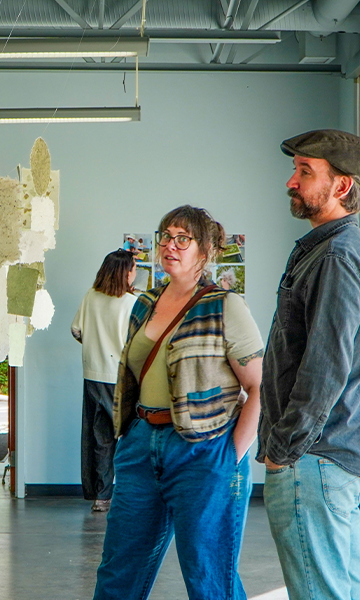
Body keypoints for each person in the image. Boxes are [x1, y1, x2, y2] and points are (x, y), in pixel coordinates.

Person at [94, 206, 264, 600]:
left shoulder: (224, 305)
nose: (170, 245)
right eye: (165, 237)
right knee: (119, 570)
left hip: (202, 449)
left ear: (204, 252)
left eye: (182, 239)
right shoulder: (144, 303)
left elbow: (259, 387)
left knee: (208, 577)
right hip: (140, 445)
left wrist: (230, 455)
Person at [258, 129, 360, 600]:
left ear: (342, 186)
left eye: (305, 172)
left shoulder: (335, 255)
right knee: (342, 590)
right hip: (328, 456)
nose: (292, 182)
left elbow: (326, 366)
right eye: (295, 170)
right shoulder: (329, 250)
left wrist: (283, 449)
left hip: (313, 457)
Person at [71, 249, 138, 512]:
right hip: (120, 379)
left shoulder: (91, 297)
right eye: (133, 268)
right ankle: (132, 494)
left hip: (92, 375)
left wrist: (95, 345)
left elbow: (76, 330)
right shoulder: (132, 303)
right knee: (131, 437)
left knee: (100, 439)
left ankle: (101, 497)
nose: (135, 273)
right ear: (125, 272)